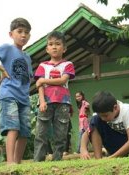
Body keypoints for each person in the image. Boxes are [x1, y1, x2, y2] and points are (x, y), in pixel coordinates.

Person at [0, 18, 32, 164]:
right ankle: (10, 163)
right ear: (11, 34)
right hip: (9, 94)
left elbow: (28, 78)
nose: (23, 35)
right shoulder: (7, 48)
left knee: (25, 132)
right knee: (13, 128)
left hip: (24, 98)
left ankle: (17, 163)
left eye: (26, 33)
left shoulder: (27, 57)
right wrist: (1, 69)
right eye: (19, 31)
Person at [80, 91, 129, 159]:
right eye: (101, 115)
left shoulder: (128, 111)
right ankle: (99, 160)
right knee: (95, 120)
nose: (103, 119)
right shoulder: (100, 117)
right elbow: (86, 134)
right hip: (116, 145)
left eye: (105, 115)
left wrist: (111, 158)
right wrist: (83, 149)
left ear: (115, 108)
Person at [33, 31, 75, 161]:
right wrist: (42, 101)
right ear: (47, 49)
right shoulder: (42, 66)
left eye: (58, 44)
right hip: (45, 102)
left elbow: (63, 80)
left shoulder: (68, 64)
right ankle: (37, 161)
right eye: (51, 44)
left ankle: (57, 160)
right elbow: (39, 86)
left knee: (61, 134)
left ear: (64, 48)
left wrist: (44, 80)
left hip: (63, 103)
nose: (54, 47)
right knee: (41, 133)